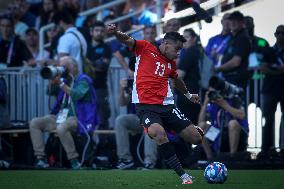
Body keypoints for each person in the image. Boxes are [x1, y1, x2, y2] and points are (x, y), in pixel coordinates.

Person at [106, 24, 203, 184]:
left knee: (197, 139)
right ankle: (183, 175)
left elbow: (177, 79)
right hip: (146, 107)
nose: (178, 53)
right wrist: (116, 32)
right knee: (158, 133)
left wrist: (187, 94)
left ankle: (189, 129)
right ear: (165, 44)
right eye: (177, 49)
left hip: (168, 107)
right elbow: (127, 40)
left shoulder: (170, 64)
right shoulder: (145, 48)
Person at [29, 56, 98, 169]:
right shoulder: (65, 81)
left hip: (79, 117)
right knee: (35, 123)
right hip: (61, 117)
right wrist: (52, 79)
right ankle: (41, 158)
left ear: (74, 66)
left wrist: (61, 83)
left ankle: (74, 160)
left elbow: (76, 95)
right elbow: (50, 92)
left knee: (61, 127)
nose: (62, 68)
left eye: (65, 66)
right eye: (61, 66)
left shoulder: (84, 80)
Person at [198, 77, 249, 160]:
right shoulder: (212, 103)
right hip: (218, 134)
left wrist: (225, 105)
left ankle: (232, 157)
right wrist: (205, 103)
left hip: (237, 135)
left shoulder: (233, 98)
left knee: (233, 123)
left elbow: (242, 115)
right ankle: (210, 158)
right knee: (201, 126)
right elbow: (200, 122)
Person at [115, 78, 157, 170]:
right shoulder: (135, 81)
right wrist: (122, 89)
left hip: (155, 117)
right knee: (120, 120)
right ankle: (125, 160)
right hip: (139, 118)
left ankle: (149, 162)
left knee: (149, 122)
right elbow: (122, 103)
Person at [258, 25, 284, 159]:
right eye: (280, 33)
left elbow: (267, 68)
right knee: (268, 119)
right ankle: (266, 148)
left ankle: (282, 148)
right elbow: (263, 68)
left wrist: (274, 68)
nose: (282, 35)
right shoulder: (267, 51)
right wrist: (280, 70)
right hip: (269, 89)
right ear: (275, 34)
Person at [215, 11, 251, 90]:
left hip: (237, 81)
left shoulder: (242, 38)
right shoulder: (233, 38)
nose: (233, 23)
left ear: (242, 22)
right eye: (231, 20)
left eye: (236, 20)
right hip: (230, 79)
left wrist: (218, 69)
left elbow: (236, 62)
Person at [87, 21, 112, 130]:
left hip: (100, 87)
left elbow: (102, 66)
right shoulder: (85, 46)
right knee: (87, 117)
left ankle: (103, 145)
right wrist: (94, 64)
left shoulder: (107, 47)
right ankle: (90, 145)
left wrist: (88, 63)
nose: (99, 33)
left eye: (102, 31)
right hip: (85, 87)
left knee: (103, 117)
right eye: (97, 30)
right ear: (91, 32)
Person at [52, 9, 87, 73]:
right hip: (82, 77)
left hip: (71, 79)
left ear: (61, 23)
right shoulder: (80, 35)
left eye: (56, 26)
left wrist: (47, 62)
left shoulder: (65, 38)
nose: (57, 29)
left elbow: (61, 62)